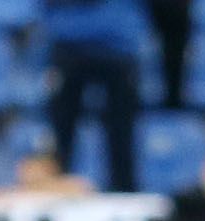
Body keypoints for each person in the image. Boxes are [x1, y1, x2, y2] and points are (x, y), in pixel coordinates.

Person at [43, 0, 147, 193]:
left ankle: (124, 193)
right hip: (68, 41)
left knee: (122, 132)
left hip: (118, 43)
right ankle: (57, 188)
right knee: (61, 134)